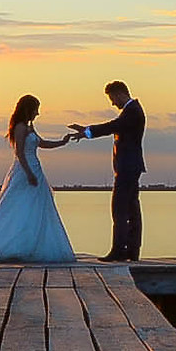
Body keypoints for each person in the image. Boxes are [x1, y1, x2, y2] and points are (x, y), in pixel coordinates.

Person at [0, 95, 78, 263]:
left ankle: (32, 244)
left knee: (37, 207)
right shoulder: (20, 127)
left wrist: (62, 142)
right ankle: (7, 244)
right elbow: (19, 153)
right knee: (18, 205)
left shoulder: (30, 128)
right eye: (36, 109)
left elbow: (41, 143)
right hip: (24, 171)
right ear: (28, 109)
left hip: (36, 169)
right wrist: (29, 173)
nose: (37, 113)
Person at [68, 80, 145, 262]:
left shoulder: (132, 111)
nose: (112, 103)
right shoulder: (133, 111)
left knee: (120, 209)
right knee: (132, 208)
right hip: (129, 167)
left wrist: (87, 131)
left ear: (119, 94)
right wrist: (88, 131)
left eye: (112, 98)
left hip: (128, 167)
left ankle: (120, 250)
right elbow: (114, 127)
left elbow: (112, 126)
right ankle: (131, 251)